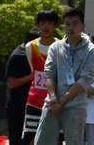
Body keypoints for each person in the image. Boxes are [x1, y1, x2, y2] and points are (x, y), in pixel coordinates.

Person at [36, 8, 94, 145]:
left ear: (83, 26)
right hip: (52, 103)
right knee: (42, 141)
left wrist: (62, 101)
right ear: (63, 26)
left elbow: (85, 80)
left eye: (75, 23)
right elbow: (49, 74)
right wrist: (53, 99)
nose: (71, 27)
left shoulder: (91, 50)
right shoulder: (55, 47)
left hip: (76, 105)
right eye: (67, 24)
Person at [24, 12, 61, 144]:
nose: (46, 27)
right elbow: (33, 71)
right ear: (37, 25)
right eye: (43, 23)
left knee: (57, 137)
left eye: (50, 23)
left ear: (55, 26)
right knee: (31, 138)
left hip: (56, 100)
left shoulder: (61, 46)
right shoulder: (30, 47)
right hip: (34, 99)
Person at [7, 28, 41, 145]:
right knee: (18, 139)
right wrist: (31, 77)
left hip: (35, 105)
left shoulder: (39, 55)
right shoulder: (18, 56)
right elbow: (11, 83)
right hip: (19, 107)